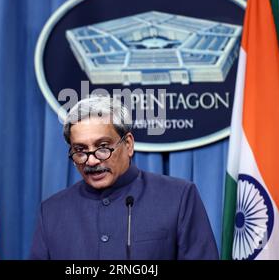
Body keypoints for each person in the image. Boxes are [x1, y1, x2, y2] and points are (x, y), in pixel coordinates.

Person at [30, 96, 219, 259]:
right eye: (80, 150)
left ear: (128, 144)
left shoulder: (178, 197)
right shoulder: (52, 211)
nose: (92, 160)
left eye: (103, 146)